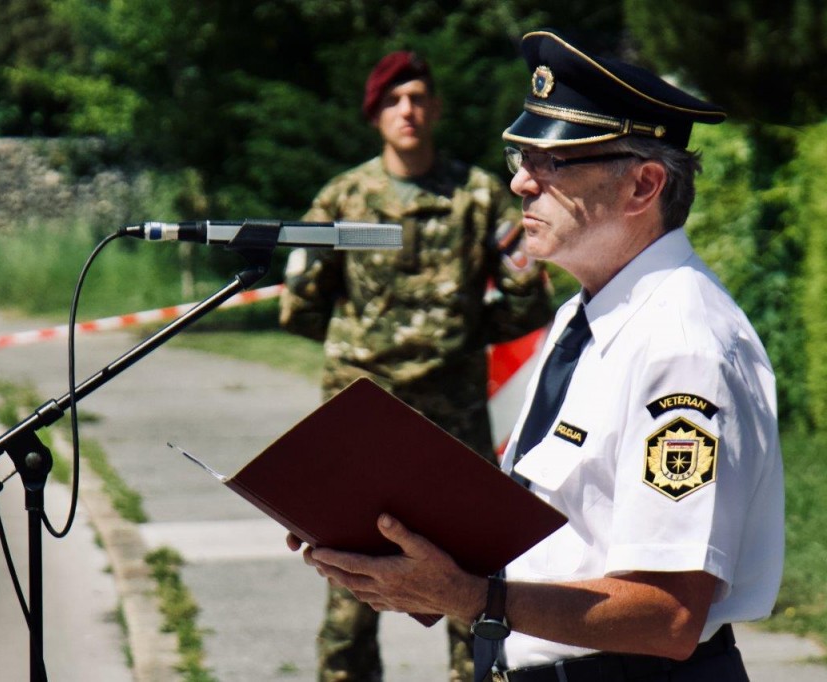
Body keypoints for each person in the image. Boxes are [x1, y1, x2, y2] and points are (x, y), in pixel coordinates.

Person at [289, 30, 784, 682]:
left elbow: (667, 616)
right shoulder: (586, 315)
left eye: (554, 163)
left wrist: (472, 598)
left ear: (643, 185)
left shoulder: (682, 347)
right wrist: (402, 556)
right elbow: (562, 540)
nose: (522, 182)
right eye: (522, 157)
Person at [279, 50, 552, 681]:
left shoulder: (479, 196)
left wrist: (458, 339)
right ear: (375, 114)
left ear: (437, 109)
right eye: (394, 100)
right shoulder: (342, 198)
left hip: (451, 414)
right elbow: (300, 302)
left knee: (467, 577)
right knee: (350, 577)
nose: (409, 110)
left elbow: (527, 297)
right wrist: (368, 344)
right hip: (359, 413)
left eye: (419, 97)